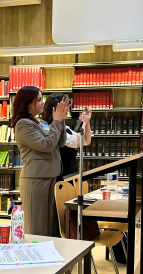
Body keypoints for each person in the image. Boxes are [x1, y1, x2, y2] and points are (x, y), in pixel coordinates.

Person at [11, 86, 69, 236]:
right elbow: (47, 145)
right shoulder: (23, 124)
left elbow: (60, 142)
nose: (42, 102)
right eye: (38, 100)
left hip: (50, 177)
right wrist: (56, 121)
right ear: (27, 103)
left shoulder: (40, 122)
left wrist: (60, 120)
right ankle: (34, 257)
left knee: (50, 227)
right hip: (36, 180)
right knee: (37, 227)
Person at [40, 94, 92, 237]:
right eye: (65, 107)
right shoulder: (49, 128)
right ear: (55, 109)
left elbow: (85, 141)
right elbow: (76, 141)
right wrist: (83, 125)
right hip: (60, 178)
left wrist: (86, 123)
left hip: (70, 175)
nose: (68, 110)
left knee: (69, 216)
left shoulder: (65, 127)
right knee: (60, 217)